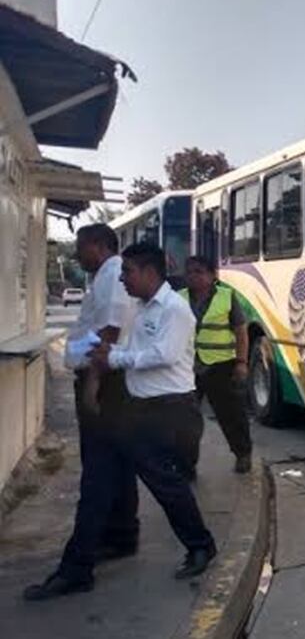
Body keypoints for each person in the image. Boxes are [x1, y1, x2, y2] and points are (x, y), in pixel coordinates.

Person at [24, 243, 217, 600]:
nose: (123, 279)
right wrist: (105, 362)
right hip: (133, 409)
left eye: (128, 271)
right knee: (97, 485)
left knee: (166, 485)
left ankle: (201, 544)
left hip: (166, 411)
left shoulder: (175, 310)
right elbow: (129, 349)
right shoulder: (142, 309)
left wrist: (114, 358)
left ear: (149, 272)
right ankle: (76, 569)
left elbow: (165, 354)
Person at [23, 225, 140, 600]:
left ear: (98, 246)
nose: (77, 255)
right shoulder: (109, 275)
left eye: (81, 248)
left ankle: (77, 568)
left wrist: (91, 383)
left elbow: (109, 330)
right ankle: (121, 535)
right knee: (119, 465)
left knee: (97, 474)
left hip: (103, 382)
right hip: (112, 382)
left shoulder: (111, 276)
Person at [179, 255, 253, 475]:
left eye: (199, 272)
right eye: (190, 272)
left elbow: (241, 333)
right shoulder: (178, 298)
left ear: (212, 275)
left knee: (231, 415)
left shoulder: (227, 297)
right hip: (187, 367)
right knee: (186, 420)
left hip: (221, 366)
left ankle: (243, 454)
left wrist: (242, 362)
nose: (193, 276)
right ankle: (187, 464)